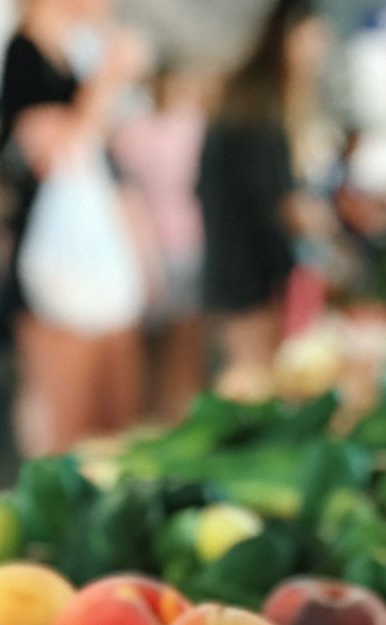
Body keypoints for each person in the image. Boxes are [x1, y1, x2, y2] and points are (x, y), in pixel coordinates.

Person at [0, 0, 147, 456]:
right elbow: (54, 151)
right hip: (55, 262)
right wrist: (109, 77)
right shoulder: (23, 55)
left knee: (115, 414)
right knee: (70, 423)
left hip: (96, 261)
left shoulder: (74, 51)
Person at [197, 0, 339, 390]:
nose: (319, 50)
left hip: (242, 268)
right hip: (247, 272)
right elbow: (278, 200)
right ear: (289, 37)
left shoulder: (254, 99)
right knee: (253, 381)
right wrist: (326, 227)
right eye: (313, 38)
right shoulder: (260, 105)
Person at [113, 62, 209, 422]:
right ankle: (184, 410)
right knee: (186, 338)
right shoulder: (194, 127)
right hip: (188, 242)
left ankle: (156, 414)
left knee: (152, 345)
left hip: (144, 246)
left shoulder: (133, 131)